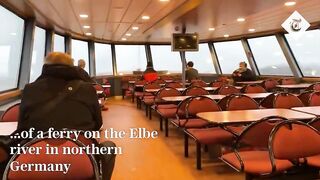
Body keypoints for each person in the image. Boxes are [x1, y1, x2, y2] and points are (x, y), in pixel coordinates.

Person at [1, 52, 116, 179]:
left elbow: (22, 127)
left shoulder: (30, 89)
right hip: (80, 158)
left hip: (33, 160)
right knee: (109, 147)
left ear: (45, 66)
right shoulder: (88, 89)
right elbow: (98, 124)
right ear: (72, 66)